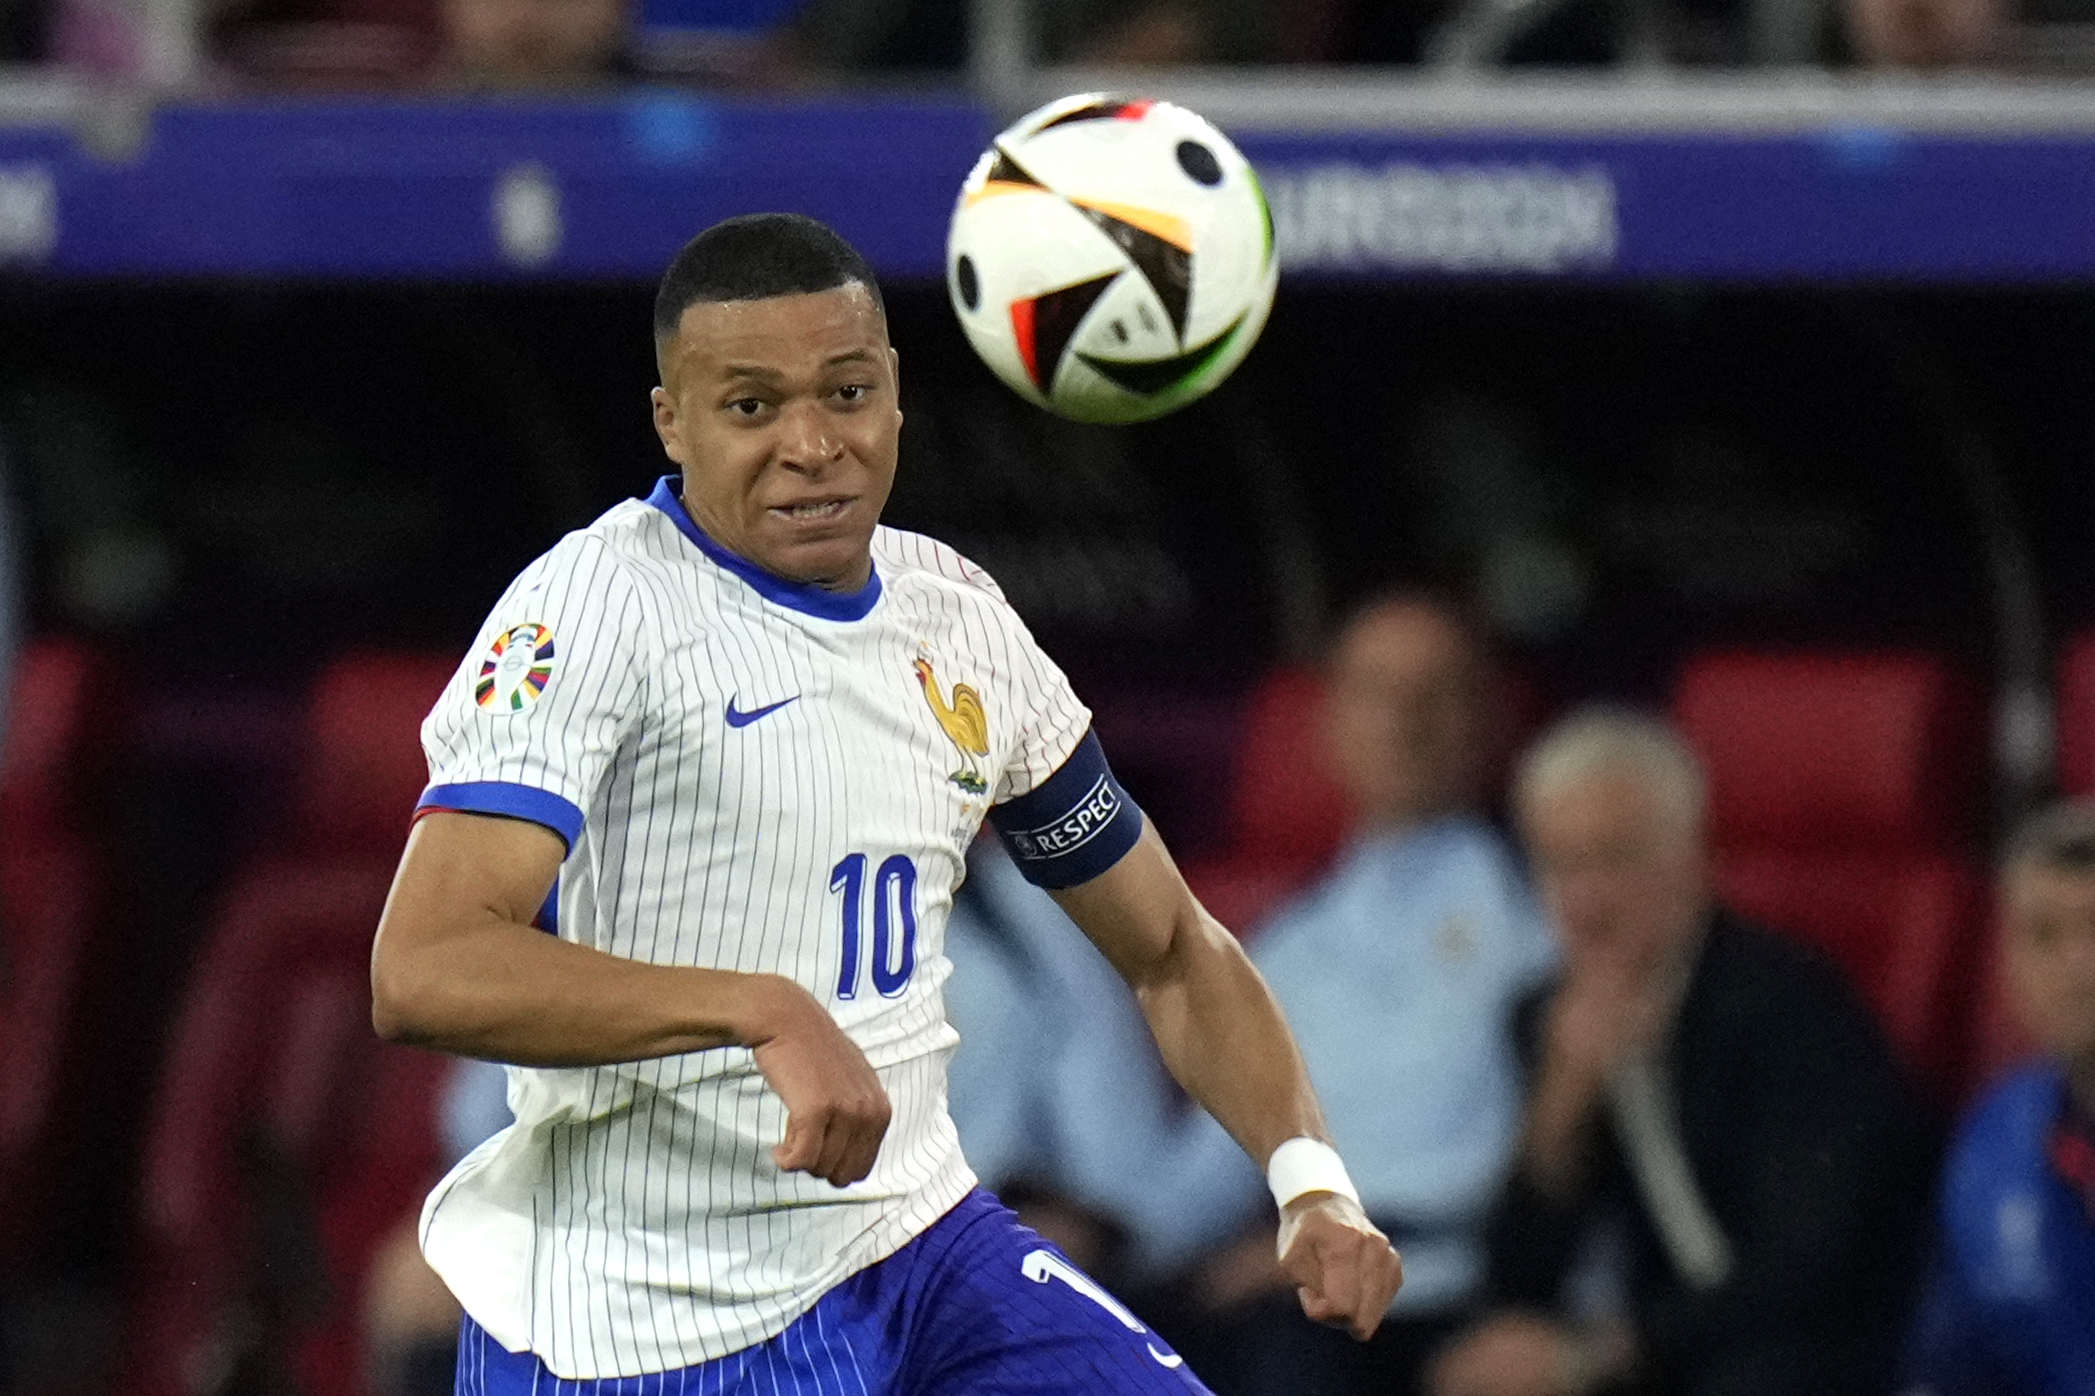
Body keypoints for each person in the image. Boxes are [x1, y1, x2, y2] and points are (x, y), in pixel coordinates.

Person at [368, 212, 1400, 1394]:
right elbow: (425, 967)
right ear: (673, 420)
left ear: (895, 394)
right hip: (657, 1311)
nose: (813, 444)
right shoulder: (590, 611)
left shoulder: (956, 616)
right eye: (752, 406)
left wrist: (1308, 1178)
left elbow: (1170, 946)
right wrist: (762, 1010)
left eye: (846, 392)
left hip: (917, 1241)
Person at [1431, 708, 1931, 1396]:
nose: (1582, 903)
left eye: (1612, 860)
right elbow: (1516, 1282)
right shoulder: (1541, 1014)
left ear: (1690, 859)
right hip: (1668, 1347)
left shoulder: (1785, 1003)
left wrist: (1604, 1351)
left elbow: (1810, 1264)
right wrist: (1559, 1109)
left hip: (1814, 1345)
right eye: (1558, 865)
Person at [1129, 595, 1557, 1396]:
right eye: (1375, 693)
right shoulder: (1288, 943)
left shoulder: (1541, 921)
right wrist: (1075, 1243)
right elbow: (1204, 1175)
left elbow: (1533, 1178)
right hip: (1288, 1288)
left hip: (1444, 1288)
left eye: (1436, 693)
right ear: (1327, 724)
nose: (1405, 722)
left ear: (1492, 718)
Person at [1903, 801, 2095, 1396]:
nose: (2080, 967)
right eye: (2043, 935)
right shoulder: (1996, 1131)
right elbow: (1950, 1362)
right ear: (2006, 964)